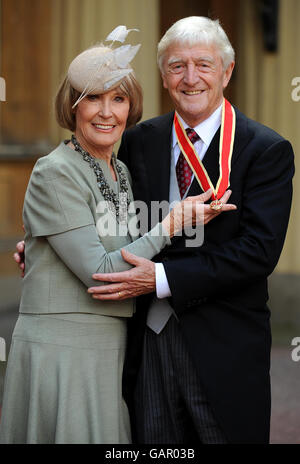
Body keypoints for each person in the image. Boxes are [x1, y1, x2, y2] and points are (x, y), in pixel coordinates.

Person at [1, 26, 235, 445]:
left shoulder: (121, 169)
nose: (106, 112)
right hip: (62, 350)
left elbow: (110, 243)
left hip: (111, 349)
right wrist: (172, 224)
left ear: (131, 107)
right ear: (72, 106)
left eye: (119, 98)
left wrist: (40, 249)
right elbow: (100, 274)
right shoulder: (54, 171)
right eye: (93, 97)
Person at [86, 17, 295, 444]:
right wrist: (51, 247)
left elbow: (259, 251)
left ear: (227, 72)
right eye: (178, 66)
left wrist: (160, 279)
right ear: (164, 77)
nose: (191, 77)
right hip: (148, 343)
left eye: (204, 64)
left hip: (224, 345)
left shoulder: (265, 150)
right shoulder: (140, 140)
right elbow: (115, 219)